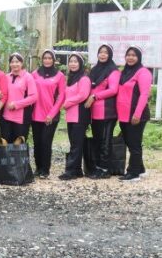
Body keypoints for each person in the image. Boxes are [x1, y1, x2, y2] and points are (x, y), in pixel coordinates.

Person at [116, 46, 152, 182]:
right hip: (124, 115)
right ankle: (140, 168)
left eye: (134, 55)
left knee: (134, 144)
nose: (130, 57)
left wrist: (137, 114)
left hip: (137, 115)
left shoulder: (143, 72)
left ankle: (133, 173)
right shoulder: (125, 72)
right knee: (130, 142)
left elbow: (144, 95)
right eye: (128, 55)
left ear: (139, 57)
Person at [85, 43, 120, 179]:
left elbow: (113, 90)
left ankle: (105, 169)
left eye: (106, 52)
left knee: (105, 141)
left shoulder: (113, 71)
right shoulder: (95, 70)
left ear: (110, 55)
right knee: (98, 140)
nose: (103, 55)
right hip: (94, 112)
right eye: (100, 52)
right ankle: (98, 167)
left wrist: (95, 96)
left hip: (107, 112)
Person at [31, 49, 66, 179]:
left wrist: (52, 114)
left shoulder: (59, 76)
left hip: (51, 115)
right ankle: (38, 167)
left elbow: (61, 96)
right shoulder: (34, 74)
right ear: (42, 59)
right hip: (35, 114)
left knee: (46, 142)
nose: (47, 60)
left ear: (54, 60)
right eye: (45, 58)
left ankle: (45, 170)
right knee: (37, 142)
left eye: (49, 58)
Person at [59, 53, 91, 180]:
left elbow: (83, 95)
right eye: (71, 61)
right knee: (74, 142)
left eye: (75, 61)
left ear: (81, 64)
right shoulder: (71, 78)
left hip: (80, 115)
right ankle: (77, 170)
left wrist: (67, 103)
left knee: (76, 144)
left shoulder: (84, 79)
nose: (72, 63)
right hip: (71, 115)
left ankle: (71, 171)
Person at [0, 53, 37, 143]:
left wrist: (16, 104)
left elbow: (34, 97)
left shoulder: (28, 77)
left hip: (21, 117)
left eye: (17, 61)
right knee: (5, 143)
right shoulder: (6, 77)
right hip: (6, 116)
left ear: (22, 63)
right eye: (12, 62)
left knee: (19, 145)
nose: (14, 64)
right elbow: (3, 93)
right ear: (9, 64)